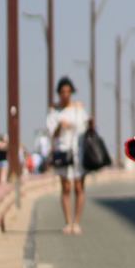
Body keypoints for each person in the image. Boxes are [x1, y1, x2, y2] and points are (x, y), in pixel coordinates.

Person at [47, 76, 89, 234]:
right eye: (62, 92)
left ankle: (76, 222)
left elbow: (85, 128)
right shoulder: (54, 112)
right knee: (66, 187)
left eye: (68, 91)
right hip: (62, 152)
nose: (65, 94)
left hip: (78, 152)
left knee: (79, 187)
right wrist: (60, 125)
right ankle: (67, 222)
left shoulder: (79, 110)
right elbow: (53, 134)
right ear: (59, 93)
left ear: (71, 92)